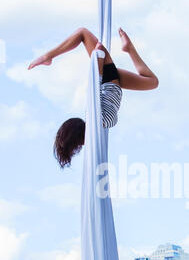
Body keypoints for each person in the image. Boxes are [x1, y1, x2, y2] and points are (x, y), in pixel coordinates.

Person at [28, 27, 159, 168]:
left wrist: (98, 59)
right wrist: (99, 61)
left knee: (83, 34)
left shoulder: (95, 121)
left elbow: (95, 88)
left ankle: (47, 56)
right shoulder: (95, 126)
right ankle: (129, 48)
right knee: (152, 82)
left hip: (108, 81)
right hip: (109, 81)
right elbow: (95, 89)